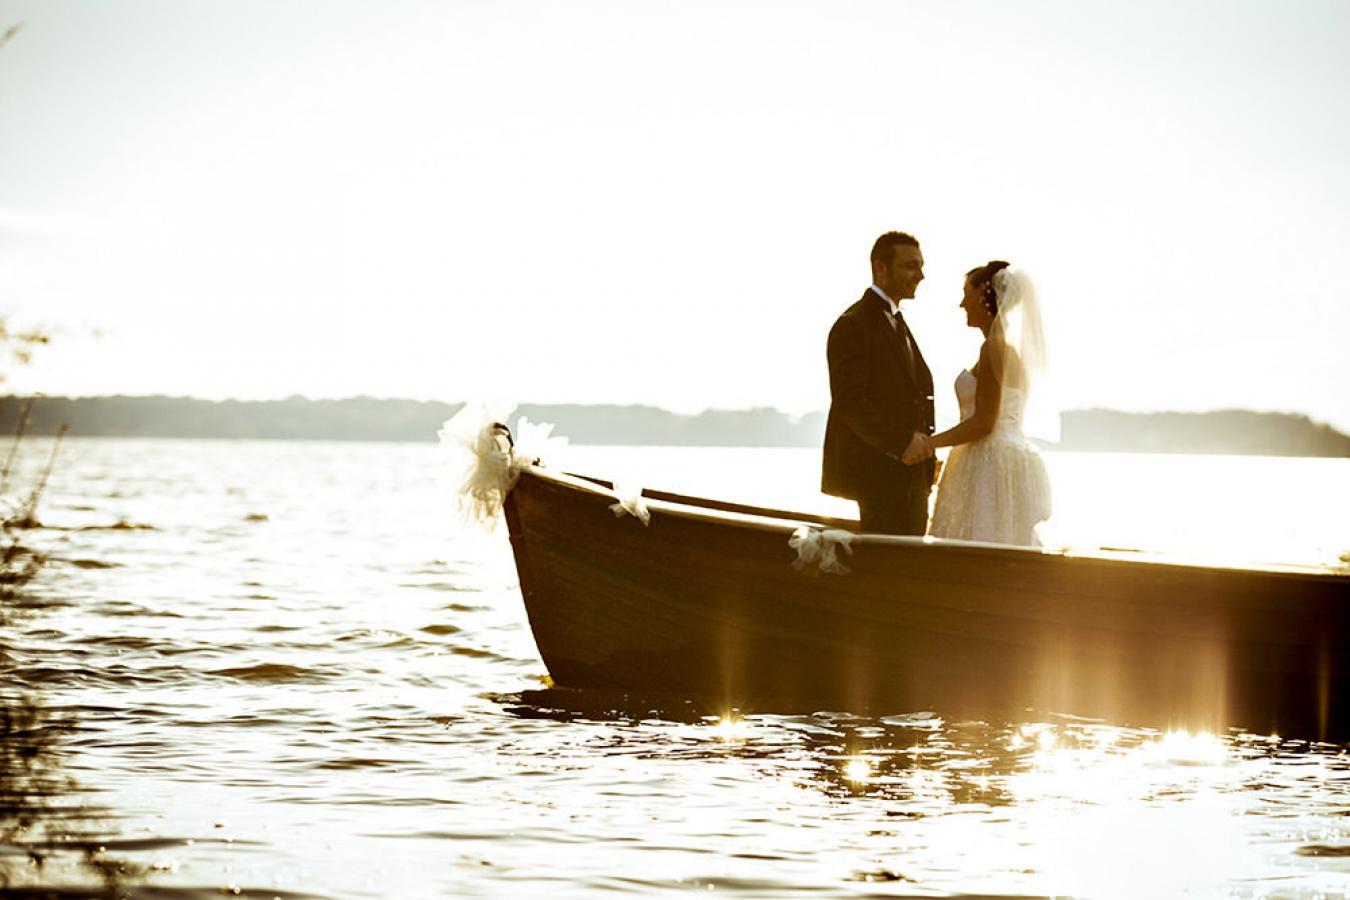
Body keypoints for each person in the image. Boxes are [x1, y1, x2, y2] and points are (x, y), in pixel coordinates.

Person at [903, 260, 1055, 546]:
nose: (962, 304)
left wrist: (928, 443)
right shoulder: (1003, 348)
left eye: (967, 294)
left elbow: (984, 423)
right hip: (997, 456)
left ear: (984, 297)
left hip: (988, 461)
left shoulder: (993, 348)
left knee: (979, 536)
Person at [821, 231, 936, 535]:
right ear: (880, 268)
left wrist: (926, 458)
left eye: (921, 266)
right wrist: (901, 444)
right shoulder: (853, 324)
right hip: (877, 478)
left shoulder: (897, 321)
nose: (921, 275)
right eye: (911, 266)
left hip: (911, 480)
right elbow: (849, 401)